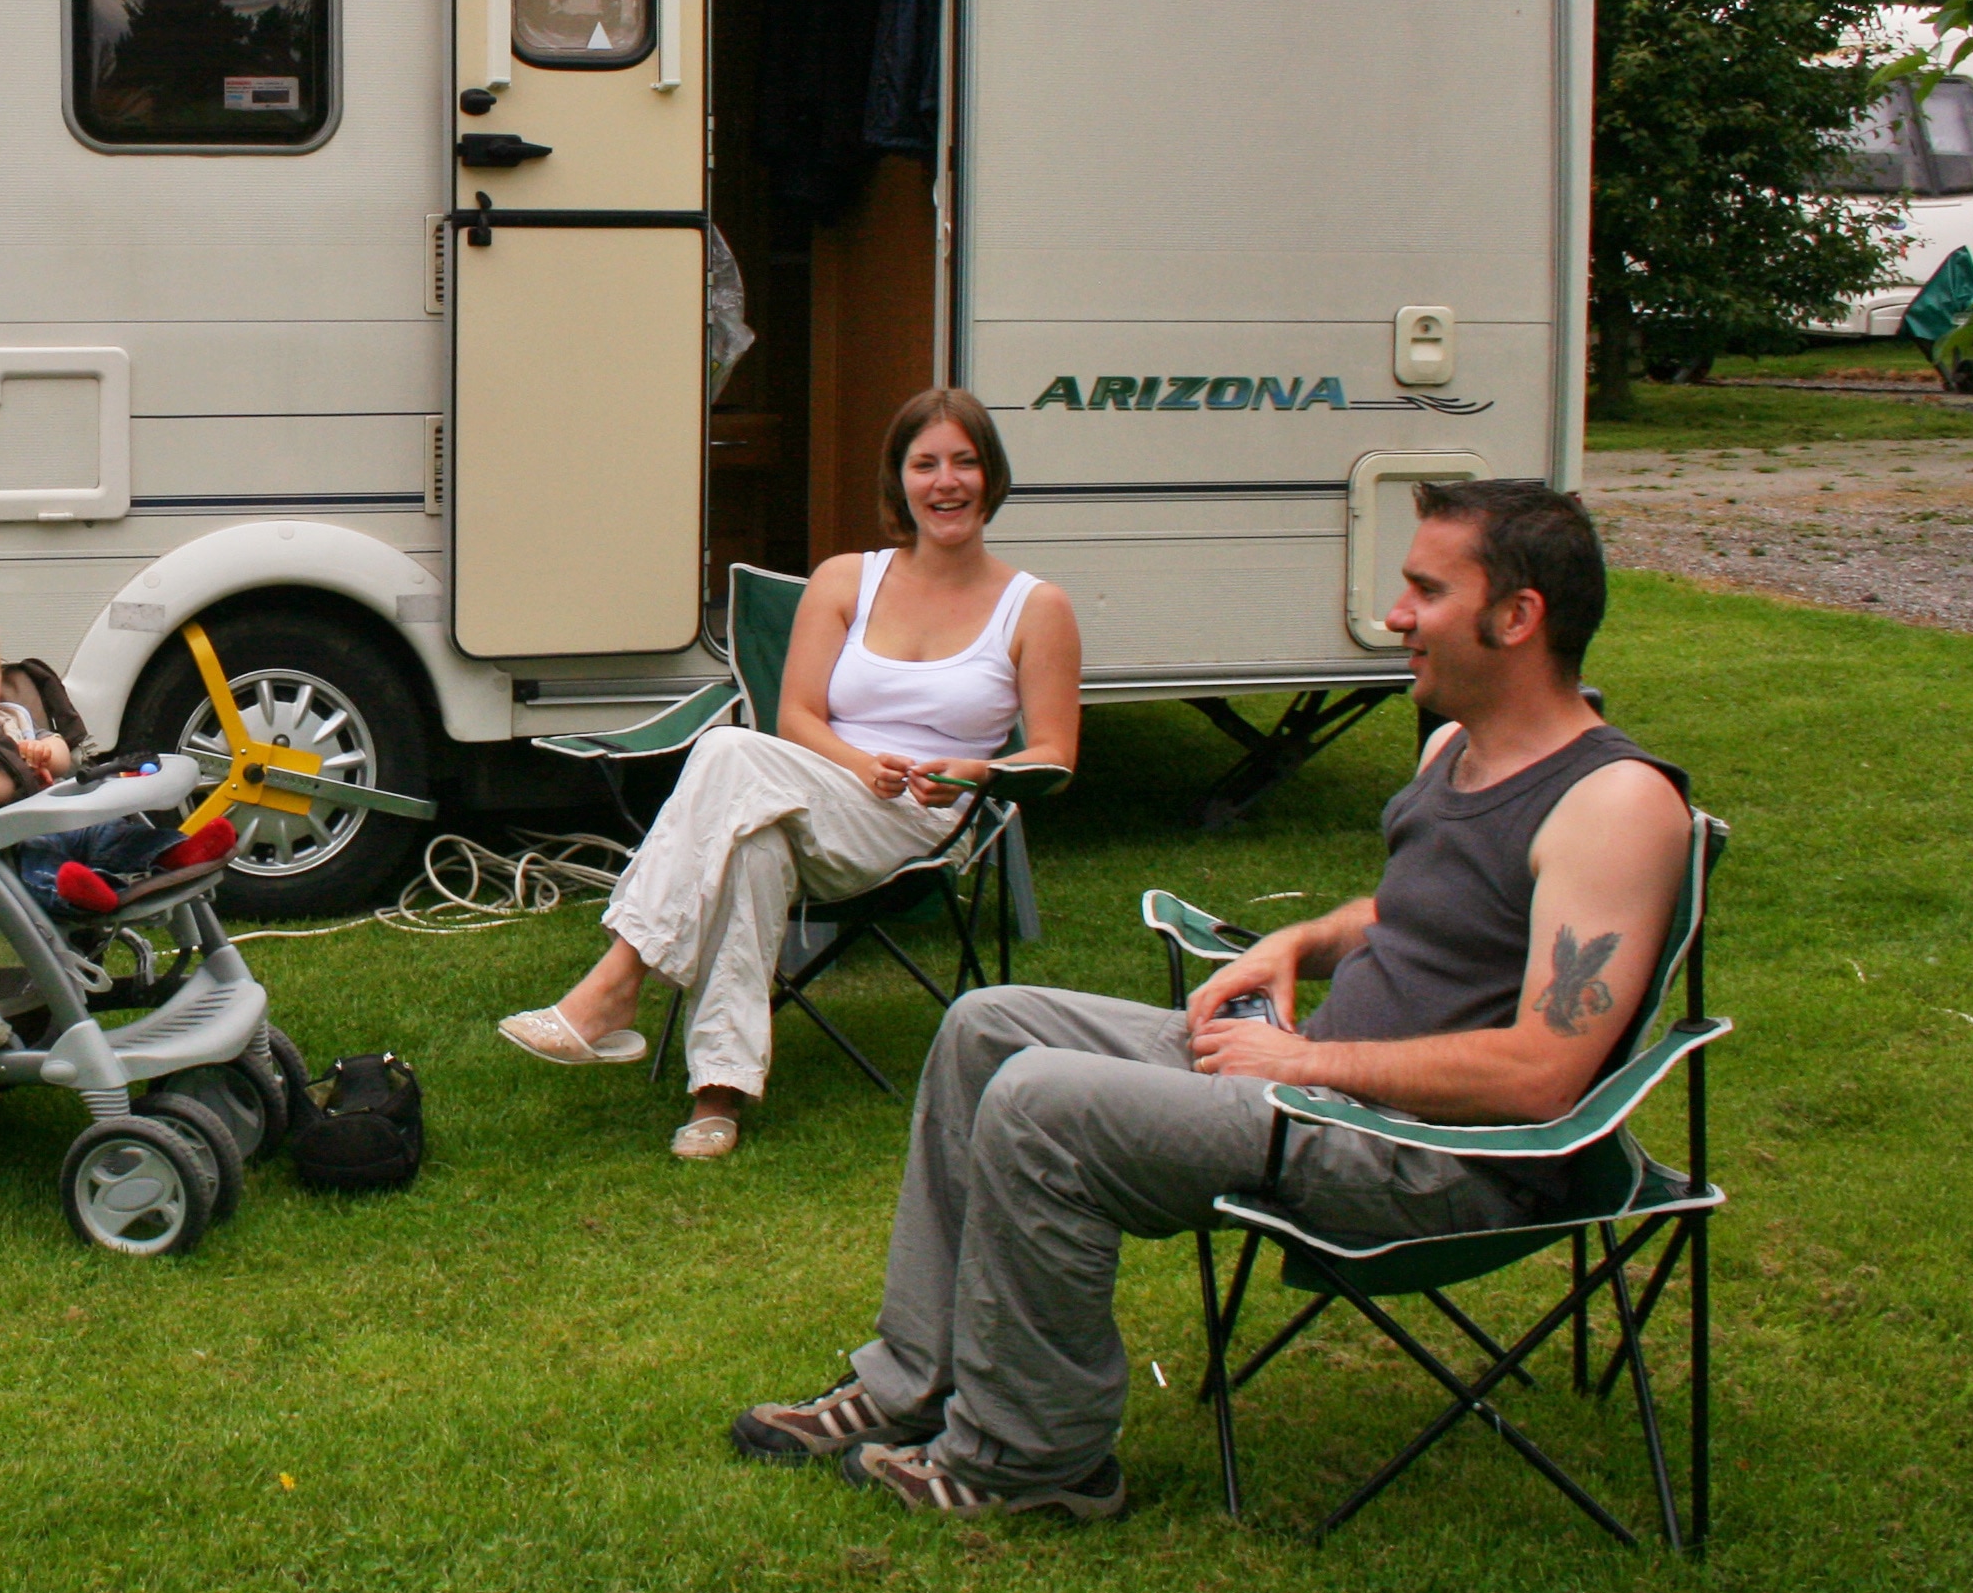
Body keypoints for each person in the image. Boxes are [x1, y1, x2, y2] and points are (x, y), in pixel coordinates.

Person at [731, 477, 1691, 1522]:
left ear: (1517, 617)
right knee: (986, 1024)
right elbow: (1427, 909)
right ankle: (909, 1381)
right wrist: (1299, 942)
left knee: (1042, 1099)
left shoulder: (1614, 804)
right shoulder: (1456, 748)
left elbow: (1545, 1075)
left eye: (1424, 590)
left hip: (1430, 1159)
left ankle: (1034, 1463)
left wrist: (1309, 1064)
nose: (1397, 616)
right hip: (1313, 1089)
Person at [499, 388, 1082, 1160]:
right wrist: (861, 763)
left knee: (727, 754)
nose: (946, 482)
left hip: (922, 821)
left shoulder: (1035, 607)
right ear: (899, 482)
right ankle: (719, 1095)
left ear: (991, 478)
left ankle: (617, 984)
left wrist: (974, 770)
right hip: (821, 786)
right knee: (750, 840)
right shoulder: (847, 580)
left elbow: (1053, 757)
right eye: (926, 463)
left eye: (965, 463)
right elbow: (798, 719)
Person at [0, 605, 229, 912]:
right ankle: (84, 893)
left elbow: (60, 753)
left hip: (59, 819)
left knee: (109, 832)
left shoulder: (13, 719)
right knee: (39, 868)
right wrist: (19, 779)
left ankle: (175, 852)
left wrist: (45, 753)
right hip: (5, 841)